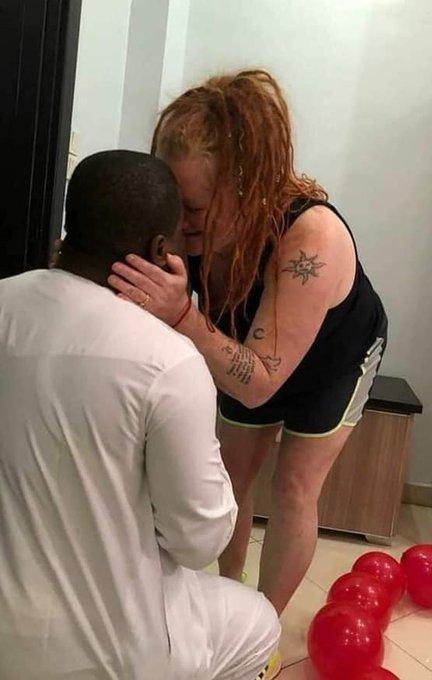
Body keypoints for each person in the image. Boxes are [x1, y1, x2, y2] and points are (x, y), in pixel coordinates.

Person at [108, 70, 389, 615]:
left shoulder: (313, 240)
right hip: (246, 345)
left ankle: (264, 628)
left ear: (248, 186)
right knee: (231, 474)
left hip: (336, 359)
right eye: (172, 203)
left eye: (194, 209)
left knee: (295, 487)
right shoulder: (186, 221)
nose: (179, 222)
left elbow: (258, 385)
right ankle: (226, 600)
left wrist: (183, 314)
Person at [0, 150, 280, 680]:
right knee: (259, 622)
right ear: (159, 250)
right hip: (111, 657)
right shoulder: (166, 360)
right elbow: (197, 541)